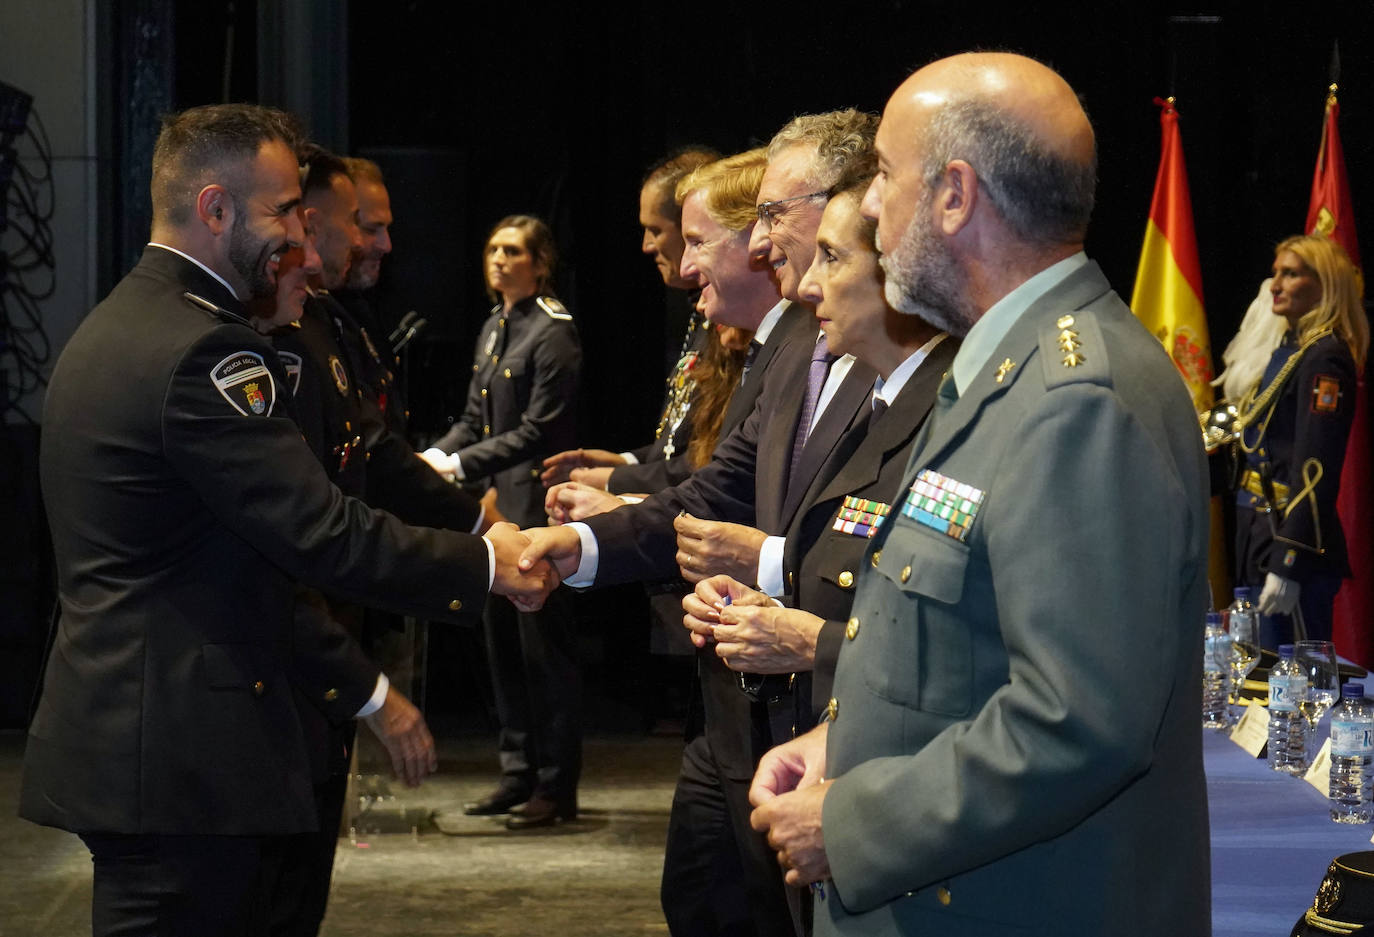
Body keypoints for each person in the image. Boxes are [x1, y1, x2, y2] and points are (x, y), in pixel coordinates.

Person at [19, 103, 555, 937]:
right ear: (214, 209)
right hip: (181, 759)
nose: (297, 239)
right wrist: (487, 565)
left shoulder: (127, 321)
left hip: (158, 746)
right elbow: (324, 530)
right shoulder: (204, 352)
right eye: (280, 212)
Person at [745, 53, 1212, 936]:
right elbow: (958, 656)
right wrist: (844, 746)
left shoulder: (1077, 401)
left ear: (955, 196)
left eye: (884, 174)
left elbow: (1075, 723)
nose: (871, 204)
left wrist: (852, 819)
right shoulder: (1002, 370)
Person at [531, 116, 880, 937]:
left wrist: (764, 561)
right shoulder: (798, 338)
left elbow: (892, 548)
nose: (760, 244)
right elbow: (721, 483)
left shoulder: (902, 350)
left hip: (835, 706)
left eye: (771, 216)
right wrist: (578, 548)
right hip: (743, 705)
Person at [680, 177, 956, 736]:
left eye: (832, 257)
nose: (807, 286)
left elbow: (954, 633)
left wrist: (811, 641)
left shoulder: (952, 407)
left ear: (899, 273)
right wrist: (762, 605)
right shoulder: (884, 397)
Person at [422, 215, 584, 829]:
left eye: (513, 251)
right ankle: (517, 772)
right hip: (492, 514)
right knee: (501, 653)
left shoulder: (553, 332)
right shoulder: (496, 327)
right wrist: (434, 458)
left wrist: (458, 463)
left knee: (544, 654)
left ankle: (554, 784)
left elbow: (538, 430)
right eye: (492, 248)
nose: (498, 259)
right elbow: (474, 417)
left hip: (535, 510)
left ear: (541, 263)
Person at [542, 147, 720, 495]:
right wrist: (624, 462)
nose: (646, 246)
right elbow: (679, 446)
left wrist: (612, 480)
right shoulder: (701, 315)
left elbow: (711, 461)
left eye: (655, 229)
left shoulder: (736, 324)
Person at [1232, 235, 1367, 647]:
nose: (1274, 285)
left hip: (1290, 544)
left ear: (1324, 284)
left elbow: (1316, 468)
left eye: (1290, 274)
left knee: (1293, 691)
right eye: (1275, 273)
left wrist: (1289, 560)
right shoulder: (1290, 350)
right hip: (1258, 533)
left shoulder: (1324, 357)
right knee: (1259, 680)